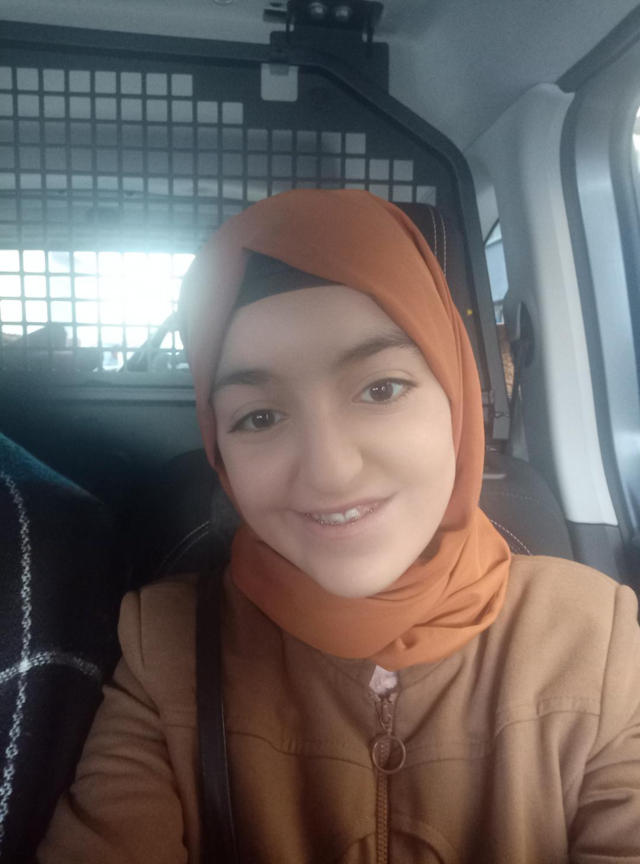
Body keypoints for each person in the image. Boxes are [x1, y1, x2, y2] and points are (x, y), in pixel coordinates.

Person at [36, 189, 640, 863]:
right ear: (219, 447)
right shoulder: (165, 647)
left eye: (381, 389)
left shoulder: (597, 641)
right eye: (260, 417)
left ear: (457, 396)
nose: (329, 471)